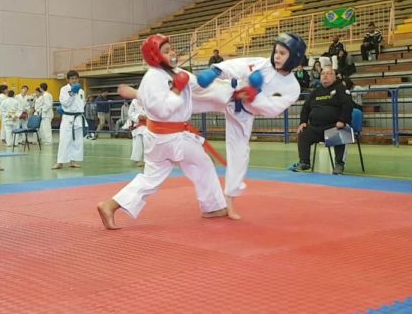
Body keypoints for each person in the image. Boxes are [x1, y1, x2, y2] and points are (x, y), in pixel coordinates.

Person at [96, 34, 228, 229]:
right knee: (202, 164)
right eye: (166, 51)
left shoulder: (175, 72)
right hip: (172, 136)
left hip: (159, 139)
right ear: (155, 56)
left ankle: (110, 205)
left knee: (151, 178)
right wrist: (176, 91)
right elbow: (161, 109)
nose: (172, 52)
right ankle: (213, 207)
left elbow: (198, 85)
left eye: (172, 48)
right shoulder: (153, 78)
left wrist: (229, 86)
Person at [192, 32, 306, 219]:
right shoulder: (263, 64)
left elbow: (273, 109)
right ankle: (157, 96)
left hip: (245, 113)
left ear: (294, 58)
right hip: (229, 92)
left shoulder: (292, 88)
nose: (277, 56)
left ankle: (229, 200)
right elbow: (239, 66)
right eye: (276, 51)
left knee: (239, 154)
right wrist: (217, 71)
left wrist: (254, 94)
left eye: (283, 53)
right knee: (193, 92)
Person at [287, 67, 353, 174]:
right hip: (316, 128)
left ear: (334, 77)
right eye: (323, 74)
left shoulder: (341, 89)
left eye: (329, 73)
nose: (325, 76)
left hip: (334, 126)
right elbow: (305, 108)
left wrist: (342, 120)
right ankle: (304, 162)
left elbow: (348, 106)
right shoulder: (316, 92)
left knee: (342, 130)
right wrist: (303, 122)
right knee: (303, 132)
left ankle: (339, 164)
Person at [52, 70, 85, 169]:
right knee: (64, 140)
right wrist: (72, 93)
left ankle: (73, 161)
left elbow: (82, 103)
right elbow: (65, 102)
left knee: (77, 141)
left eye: (76, 78)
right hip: (68, 118)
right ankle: (60, 162)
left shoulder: (81, 90)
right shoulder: (64, 89)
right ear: (68, 80)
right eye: (72, 78)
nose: (74, 80)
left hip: (78, 117)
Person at [127, 97, 147, 167]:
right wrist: (138, 116)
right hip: (138, 124)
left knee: (149, 143)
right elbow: (130, 113)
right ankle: (137, 160)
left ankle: (147, 161)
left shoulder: (151, 100)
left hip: (148, 124)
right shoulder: (134, 101)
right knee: (138, 142)